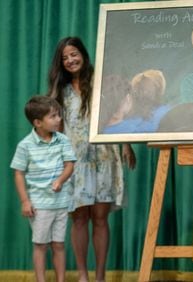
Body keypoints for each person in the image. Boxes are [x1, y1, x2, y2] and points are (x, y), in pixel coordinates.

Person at [48, 36, 136, 282]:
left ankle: (99, 277)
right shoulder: (60, 91)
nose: (70, 60)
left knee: (99, 218)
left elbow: (116, 115)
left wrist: (126, 144)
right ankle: (83, 276)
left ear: (84, 55)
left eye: (74, 54)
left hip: (104, 158)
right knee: (79, 219)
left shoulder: (101, 84)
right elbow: (55, 129)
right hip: (74, 163)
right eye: (65, 58)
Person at [10, 96, 76, 282]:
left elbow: (70, 165)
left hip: (61, 203)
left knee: (59, 244)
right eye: (53, 116)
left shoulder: (62, 140)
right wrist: (25, 201)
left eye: (58, 115)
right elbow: (18, 174)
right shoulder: (25, 146)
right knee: (40, 245)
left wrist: (60, 180)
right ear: (38, 122)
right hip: (40, 205)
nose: (58, 119)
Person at [103, 69, 171, 133]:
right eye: (140, 89)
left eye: (148, 89)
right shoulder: (128, 118)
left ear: (158, 90)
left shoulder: (163, 112)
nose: (143, 93)